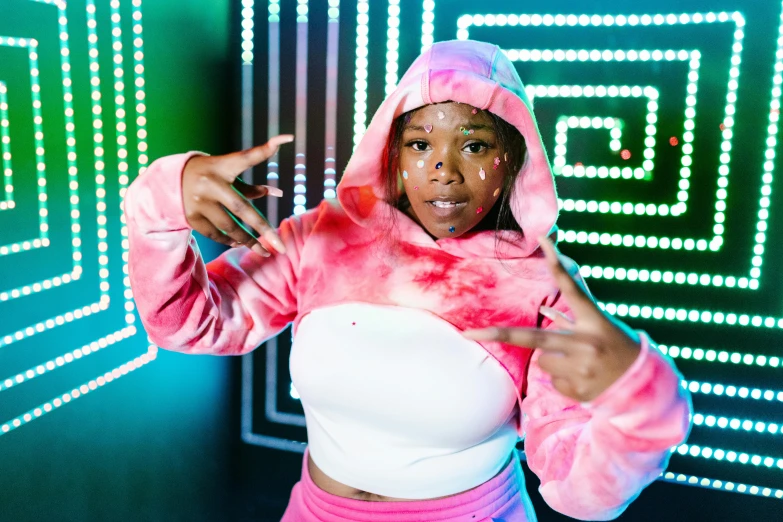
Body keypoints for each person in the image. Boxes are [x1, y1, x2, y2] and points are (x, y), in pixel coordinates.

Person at [124, 39, 692, 521]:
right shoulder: (322, 239)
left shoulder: (543, 287)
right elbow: (191, 327)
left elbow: (577, 490)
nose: (443, 169)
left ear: (514, 158)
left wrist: (643, 407)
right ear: (392, 152)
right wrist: (160, 204)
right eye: (420, 144)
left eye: (474, 144)